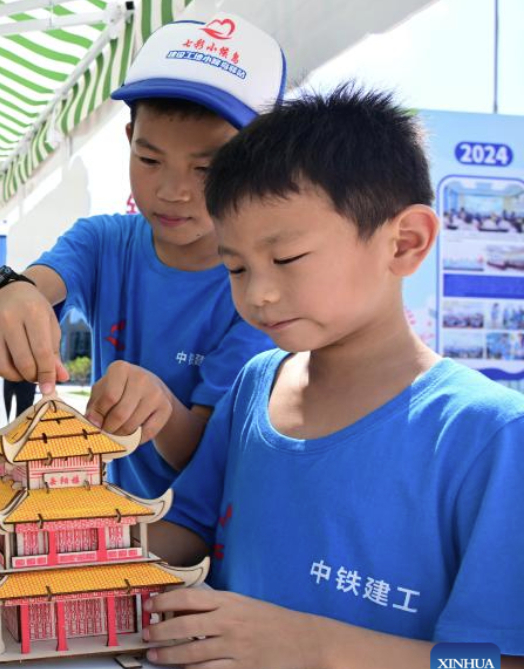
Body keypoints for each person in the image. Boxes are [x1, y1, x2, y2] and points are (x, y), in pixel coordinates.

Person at [144, 86, 524, 667]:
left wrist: (307, 646)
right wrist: (47, 543)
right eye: (236, 267)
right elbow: (189, 526)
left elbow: (493, 661)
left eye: (287, 258)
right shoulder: (255, 385)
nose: (258, 293)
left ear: (405, 242)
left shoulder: (490, 435)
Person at [0, 15, 283, 498]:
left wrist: (160, 405)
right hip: (122, 520)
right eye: (150, 160)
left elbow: (206, 458)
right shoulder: (104, 242)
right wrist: (12, 295)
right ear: (129, 138)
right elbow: (40, 282)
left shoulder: (259, 290)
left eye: (207, 167)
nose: (173, 191)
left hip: (209, 540)